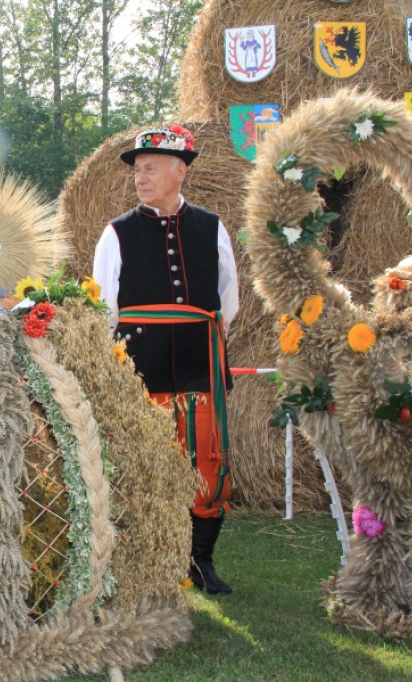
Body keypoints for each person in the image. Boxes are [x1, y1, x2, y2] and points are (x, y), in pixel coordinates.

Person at [92, 125, 239, 594]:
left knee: (208, 464)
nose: (141, 178)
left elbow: (228, 301)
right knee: (142, 465)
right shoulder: (116, 233)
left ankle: (200, 562)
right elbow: (103, 310)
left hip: (201, 367)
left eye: (151, 169)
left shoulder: (212, 227)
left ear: (180, 172)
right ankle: (143, 564)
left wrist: (200, 335)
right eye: (138, 170)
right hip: (142, 369)